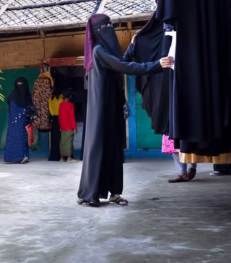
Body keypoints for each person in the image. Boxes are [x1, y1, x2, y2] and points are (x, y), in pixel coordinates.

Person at [78, 14, 173, 207]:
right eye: (105, 26)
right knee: (99, 150)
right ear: (96, 32)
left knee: (114, 150)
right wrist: (156, 65)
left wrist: (132, 45)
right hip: (100, 111)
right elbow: (123, 66)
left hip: (113, 108)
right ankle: (90, 194)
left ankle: (114, 193)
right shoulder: (98, 51)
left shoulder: (104, 52)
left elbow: (120, 62)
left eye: (110, 25)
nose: (109, 29)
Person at [4, 77, 34, 164]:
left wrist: (30, 113)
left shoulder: (27, 95)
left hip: (24, 121)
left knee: (23, 137)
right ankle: (14, 157)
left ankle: (23, 156)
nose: (20, 86)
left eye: (22, 84)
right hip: (15, 122)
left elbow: (30, 106)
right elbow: (14, 110)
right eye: (18, 84)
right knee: (15, 137)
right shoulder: (13, 95)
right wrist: (25, 111)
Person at [58, 89, 77, 163]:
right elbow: (72, 117)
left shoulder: (61, 104)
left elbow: (59, 116)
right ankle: (69, 158)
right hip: (69, 126)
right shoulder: (70, 105)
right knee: (69, 142)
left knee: (63, 141)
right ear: (70, 97)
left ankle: (62, 158)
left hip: (63, 126)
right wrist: (74, 127)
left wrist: (60, 126)